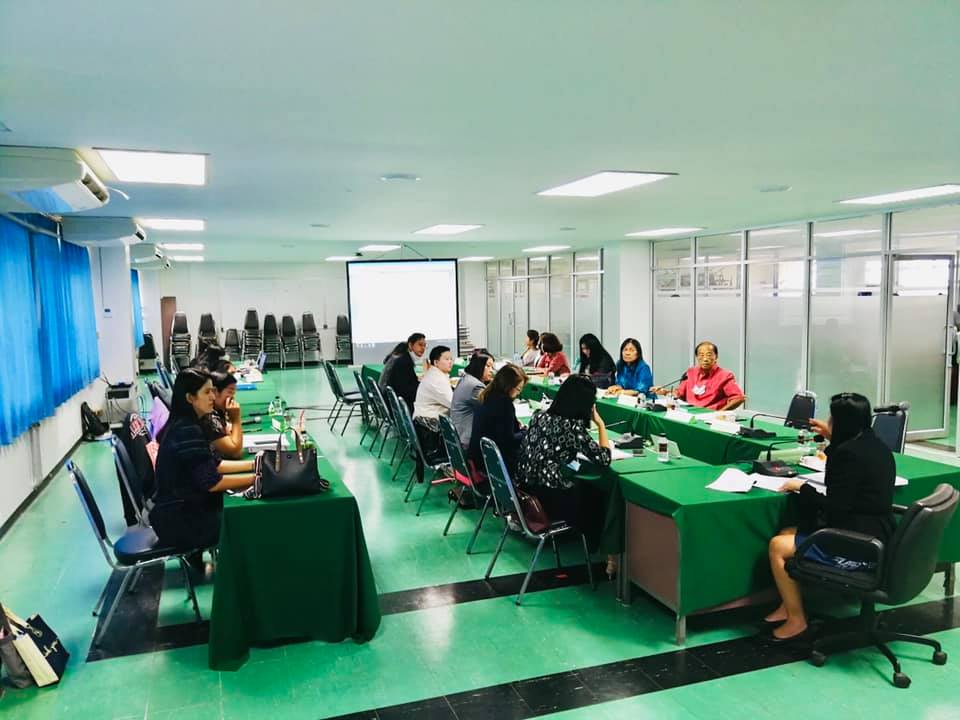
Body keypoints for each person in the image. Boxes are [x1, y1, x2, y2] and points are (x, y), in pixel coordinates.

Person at [766, 392, 895, 641]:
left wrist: (802, 488)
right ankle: (788, 605)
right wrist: (833, 438)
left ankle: (796, 621)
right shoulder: (875, 444)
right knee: (787, 532)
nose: (828, 422)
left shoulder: (848, 454)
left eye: (832, 419)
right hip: (879, 533)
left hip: (859, 544)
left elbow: (835, 509)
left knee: (777, 547)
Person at [151, 368, 254, 553]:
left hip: (180, 511)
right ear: (190, 398)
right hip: (181, 521)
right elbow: (212, 482)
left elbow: (214, 465)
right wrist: (257, 478)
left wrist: (254, 465)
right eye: (207, 392)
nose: (213, 397)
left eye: (213, 391)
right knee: (247, 518)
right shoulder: (186, 430)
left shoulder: (187, 423)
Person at [517, 375, 614, 572]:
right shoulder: (573, 427)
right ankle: (606, 553)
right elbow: (604, 458)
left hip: (527, 489)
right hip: (551, 499)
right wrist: (601, 425)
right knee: (599, 494)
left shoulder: (538, 415)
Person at [469, 364, 527, 479]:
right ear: (508, 386)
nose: (518, 393)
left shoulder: (485, 395)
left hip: (478, 457)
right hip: (495, 463)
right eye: (518, 389)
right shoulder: (505, 404)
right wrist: (525, 432)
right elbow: (509, 440)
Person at [651, 341, 745, 410]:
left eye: (709, 355)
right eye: (701, 355)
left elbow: (739, 398)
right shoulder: (691, 372)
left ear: (716, 357)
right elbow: (679, 394)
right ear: (697, 357)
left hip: (710, 417)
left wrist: (720, 413)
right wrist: (665, 392)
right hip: (689, 414)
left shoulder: (725, 375)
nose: (705, 359)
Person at [412, 345, 454, 480]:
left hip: (424, 426)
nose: (450, 362)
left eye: (451, 359)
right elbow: (453, 405)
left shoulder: (434, 374)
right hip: (430, 434)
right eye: (446, 359)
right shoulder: (437, 380)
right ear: (436, 362)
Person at [450, 352, 493, 448]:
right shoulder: (476, 386)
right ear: (479, 366)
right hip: (467, 441)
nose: (491, 370)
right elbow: (492, 408)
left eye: (492, 367)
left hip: (458, 435)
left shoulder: (467, 379)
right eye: (488, 366)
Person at [200, 371, 245, 459]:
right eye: (230, 392)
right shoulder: (208, 416)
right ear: (215, 391)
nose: (232, 398)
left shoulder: (218, 411)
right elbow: (235, 451)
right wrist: (236, 420)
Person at [380, 333, 425, 413]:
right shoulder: (404, 361)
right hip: (399, 408)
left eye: (425, 345)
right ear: (410, 345)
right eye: (420, 345)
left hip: (390, 403)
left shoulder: (400, 359)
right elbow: (407, 391)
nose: (423, 348)